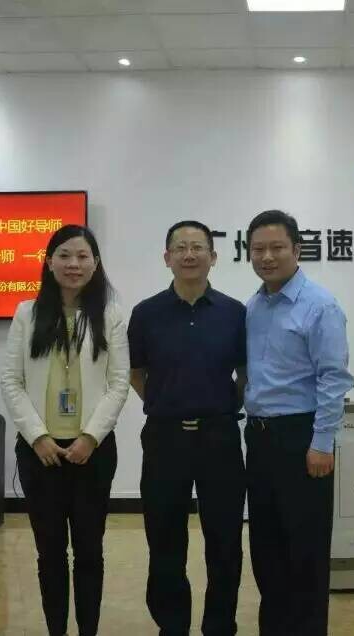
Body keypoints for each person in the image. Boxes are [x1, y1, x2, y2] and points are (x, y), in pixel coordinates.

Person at [0, 224, 130, 636]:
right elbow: (11, 381)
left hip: (92, 452)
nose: (74, 264)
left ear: (96, 263)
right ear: (49, 262)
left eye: (83, 256)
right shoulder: (27, 313)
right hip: (40, 454)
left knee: (90, 552)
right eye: (65, 255)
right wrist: (38, 437)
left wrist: (90, 437)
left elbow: (119, 383)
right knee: (50, 553)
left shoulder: (110, 315)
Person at [128, 220, 247, 636]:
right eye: (180, 247)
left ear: (213, 257)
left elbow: (245, 373)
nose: (189, 254)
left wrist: (226, 406)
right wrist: (165, 403)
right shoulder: (146, 313)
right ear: (167, 258)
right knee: (164, 538)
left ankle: (220, 625)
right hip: (165, 438)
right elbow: (136, 373)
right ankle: (172, 624)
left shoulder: (235, 313)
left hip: (220, 436)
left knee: (225, 539)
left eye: (198, 247)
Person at [243, 209, 354, 636]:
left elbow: (333, 378)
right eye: (258, 249)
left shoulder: (320, 306)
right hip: (260, 438)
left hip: (302, 438)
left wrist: (322, 442)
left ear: (297, 250)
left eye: (277, 247)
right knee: (266, 549)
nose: (267, 257)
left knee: (305, 552)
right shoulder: (253, 306)